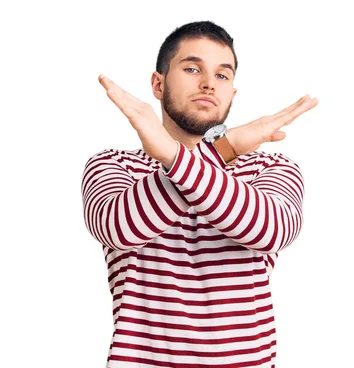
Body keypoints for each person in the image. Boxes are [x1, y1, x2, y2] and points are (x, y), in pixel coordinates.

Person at [81, 20, 318, 367]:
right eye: (192, 68)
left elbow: (273, 230)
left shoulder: (269, 169)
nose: (208, 83)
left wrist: (204, 154)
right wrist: (224, 148)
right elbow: (118, 228)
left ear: (232, 93)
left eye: (223, 75)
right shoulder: (114, 166)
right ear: (158, 84)